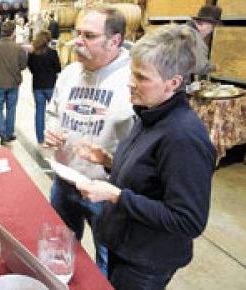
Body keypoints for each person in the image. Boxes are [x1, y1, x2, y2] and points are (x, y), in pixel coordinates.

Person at [74, 24, 216, 289]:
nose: (130, 82)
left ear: (173, 83)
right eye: (131, 72)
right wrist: (108, 160)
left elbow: (188, 220)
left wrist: (116, 196)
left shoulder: (183, 138)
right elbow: (151, 176)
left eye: (142, 77)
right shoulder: (150, 112)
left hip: (146, 261)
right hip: (124, 244)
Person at [44, 5, 135, 276]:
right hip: (64, 181)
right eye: (77, 33)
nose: (77, 42)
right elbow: (52, 111)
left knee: (105, 263)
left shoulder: (133, 79)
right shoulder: (71, 72)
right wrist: (50, 130)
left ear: (115, 40)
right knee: (58, 250)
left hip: (104, 190)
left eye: (89, 36)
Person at [0, 21, 27, 145]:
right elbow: (23, 66)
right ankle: (9, 133)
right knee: (11, 109)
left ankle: (2, 134)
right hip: (13, 83)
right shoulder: (18, 48)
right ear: (13, 33)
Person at [27, 30, 61, 145]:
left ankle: (40, 139)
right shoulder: (52, 53)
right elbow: (58, 69)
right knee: (53, 114)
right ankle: (53, 138)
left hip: (37, 86)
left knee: (39, 112)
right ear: (47, 40)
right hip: (51, 86)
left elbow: (30, 68)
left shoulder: (32, 54)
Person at [186, 5, 222, 76]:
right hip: (173, 83)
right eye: (212, 27)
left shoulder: (181, 29)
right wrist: (214, 67)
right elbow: (200, 68)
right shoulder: (195, 37)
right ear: (207, 24)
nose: (211, 31)